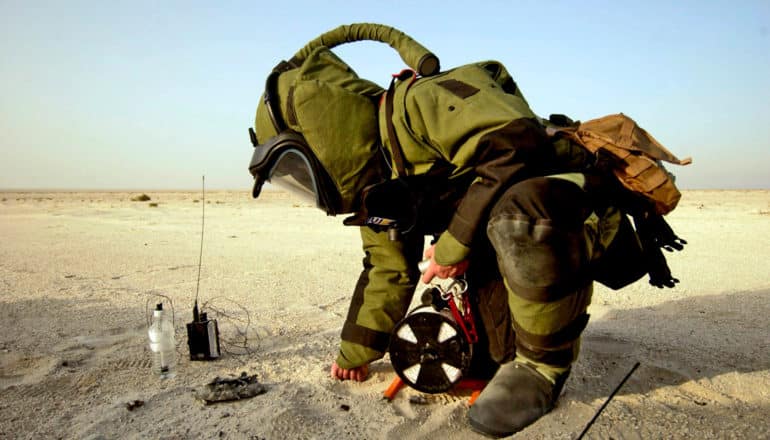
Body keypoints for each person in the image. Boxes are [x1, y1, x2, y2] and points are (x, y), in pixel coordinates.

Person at [248, 23, 684, 437]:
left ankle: (542, 370)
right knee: (492, 356)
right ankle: (519, 351)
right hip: (502, 238)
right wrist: (354, 353)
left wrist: (452, 247)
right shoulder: (383, 179)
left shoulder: (423, 102)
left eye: (299, 168)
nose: (309, 187)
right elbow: (387, 269)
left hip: (568, 209)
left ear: (324, 133)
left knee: (521, 214)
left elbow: (516, 146)